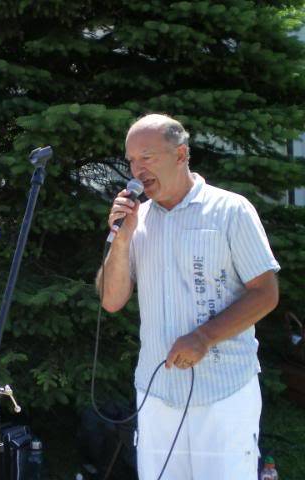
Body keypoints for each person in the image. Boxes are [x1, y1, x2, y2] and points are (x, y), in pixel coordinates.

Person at [96, 113, 280, 479]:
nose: (137, 169)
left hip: (223, 391)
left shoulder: (230, 210)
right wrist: (122, 238)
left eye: (147, 157)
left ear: (181, 155)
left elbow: (266, 293)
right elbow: (111, 301)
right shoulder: (138, 219)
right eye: (131, 160)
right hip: (156, 391)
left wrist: (204, 336)